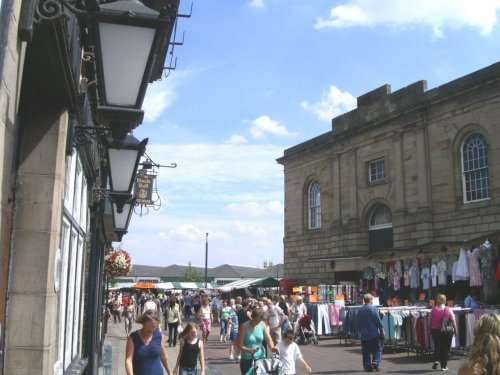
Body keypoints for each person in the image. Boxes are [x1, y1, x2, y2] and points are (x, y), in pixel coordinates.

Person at [125, 310, 173, 375]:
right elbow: (128, 360)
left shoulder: (159, 335)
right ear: (143, 323)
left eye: (154, 327)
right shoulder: (133, 338)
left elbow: (163, 356)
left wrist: (170, 372)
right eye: (149, 327)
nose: (152, 330)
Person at [237, 308, 279, 375]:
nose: (258, 322)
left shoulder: (262, 324)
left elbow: (268, 338)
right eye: (256, 320)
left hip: (260, 356)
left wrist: (272, 347)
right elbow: (239, 345)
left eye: (259, 321)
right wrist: (249, 350)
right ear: (252, 317)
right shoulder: (244, 326)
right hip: (247, 357)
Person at [428, 293, 458, 372]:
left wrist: (429, 329)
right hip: (446, 331)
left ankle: (436, 360)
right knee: (445, 348)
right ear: (445, 301)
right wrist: (455, 330)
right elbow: (453, 321)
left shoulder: (433, 309)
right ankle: (443, 366)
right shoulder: (448, 309)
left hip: (435, 330)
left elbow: (429, 320)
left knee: (437, 346)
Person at [357, 294, 385, 372]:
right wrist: (382, 330)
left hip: (364, 334)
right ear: (370, 300)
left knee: (365, 351)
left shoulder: (360, 310)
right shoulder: (373, 309)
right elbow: (378, 321)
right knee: (377, 349)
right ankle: (376, 362)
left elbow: (358, 322)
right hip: (373, 333)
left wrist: (360, 331)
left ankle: (367, 365)